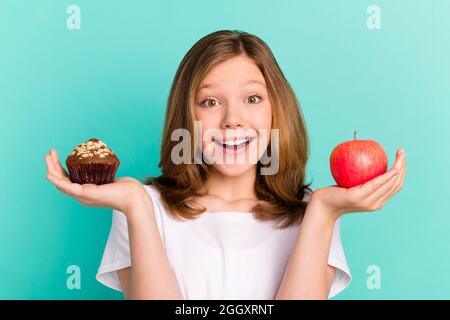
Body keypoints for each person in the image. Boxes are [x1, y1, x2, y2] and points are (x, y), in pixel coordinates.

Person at [44, 30, 406, 300]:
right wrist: (136, 206)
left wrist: (325, 211)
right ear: (187, 117)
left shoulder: (312, 212)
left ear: (276, 109)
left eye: (252, 98)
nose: (233, 119)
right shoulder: (140, 207)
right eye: (210, 101)